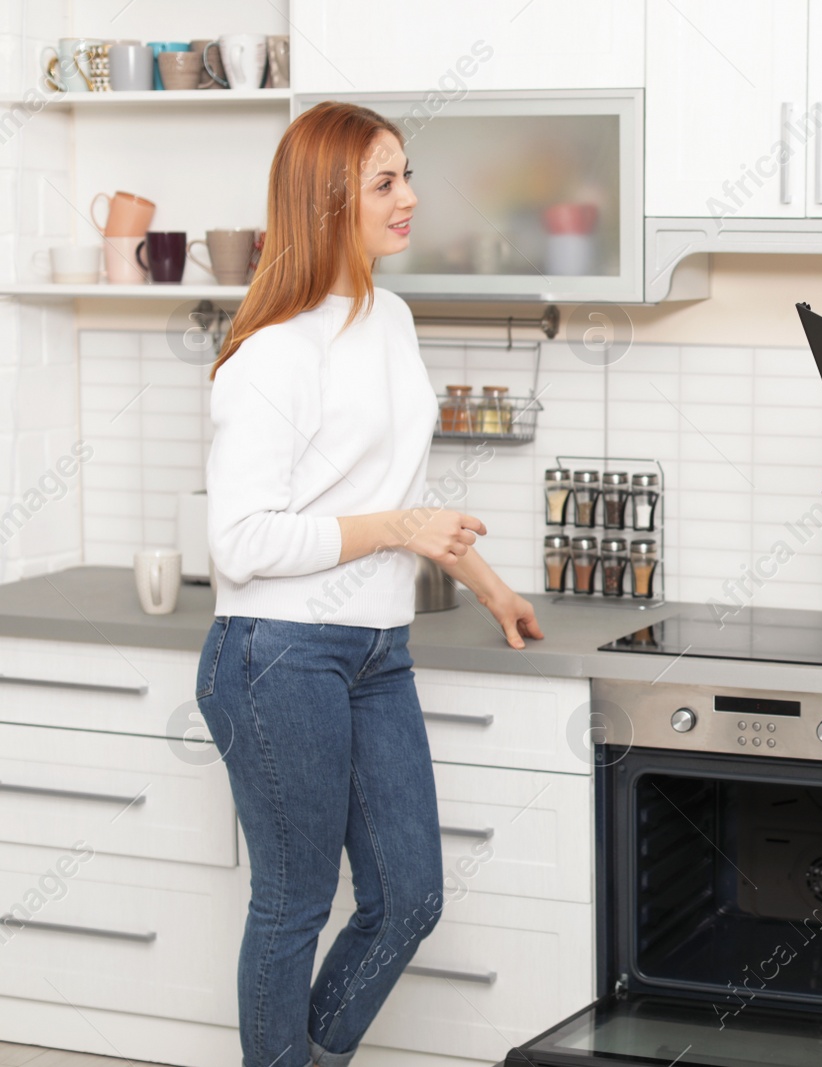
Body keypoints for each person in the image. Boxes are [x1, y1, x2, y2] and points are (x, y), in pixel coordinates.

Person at [196, 101, 543, 1067]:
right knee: (294, 903)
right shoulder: (271, 354)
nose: (411, 199)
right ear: (327, 201)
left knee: (408, 898)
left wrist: (491, 586)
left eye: (406, 175)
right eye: (385, 182)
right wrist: (400, 529)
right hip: (276, 655)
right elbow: (242, 539)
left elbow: (405, 497)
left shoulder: (388, 315)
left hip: (376, 650)